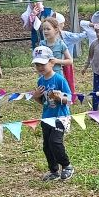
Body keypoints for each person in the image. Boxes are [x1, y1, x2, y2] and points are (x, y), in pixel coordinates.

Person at [30, 46, 74, 183]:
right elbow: (42, 102)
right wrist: (36, 97)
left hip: (61, 117)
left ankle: (67, 166)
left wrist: (59, 98)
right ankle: (53, 170)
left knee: (55, 142)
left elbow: (70, 100)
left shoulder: (59, 80)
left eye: (43, 64)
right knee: (47, 145)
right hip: (46, 117)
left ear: (52, 62)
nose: (40, 67)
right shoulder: (40, 81)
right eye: (37, 64)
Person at [41, 16, 75, 98]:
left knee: (60, 97)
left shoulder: (61, 44)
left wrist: (57, 61)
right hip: (44, 76)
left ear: (56, 30)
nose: (45, 31)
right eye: (44, 29)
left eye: (48, 29)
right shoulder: (42, 44)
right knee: (47, 99)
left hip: (57, 75)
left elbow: (70, 61)